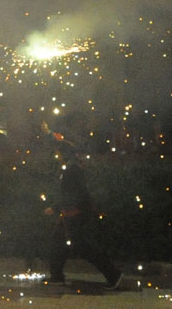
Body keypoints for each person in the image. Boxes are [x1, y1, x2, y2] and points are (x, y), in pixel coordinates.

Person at [38, 122, 121, 290]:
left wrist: (54, 207)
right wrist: (48, 132)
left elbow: (72, 195)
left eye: (60, 154)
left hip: (75, 215)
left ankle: (114, 275)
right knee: (58, 242)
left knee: (84, 248)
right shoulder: (72, 166)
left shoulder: (71, 171)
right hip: (73, 213)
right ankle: (56, 276)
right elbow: (61, 143)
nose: (57, 155)